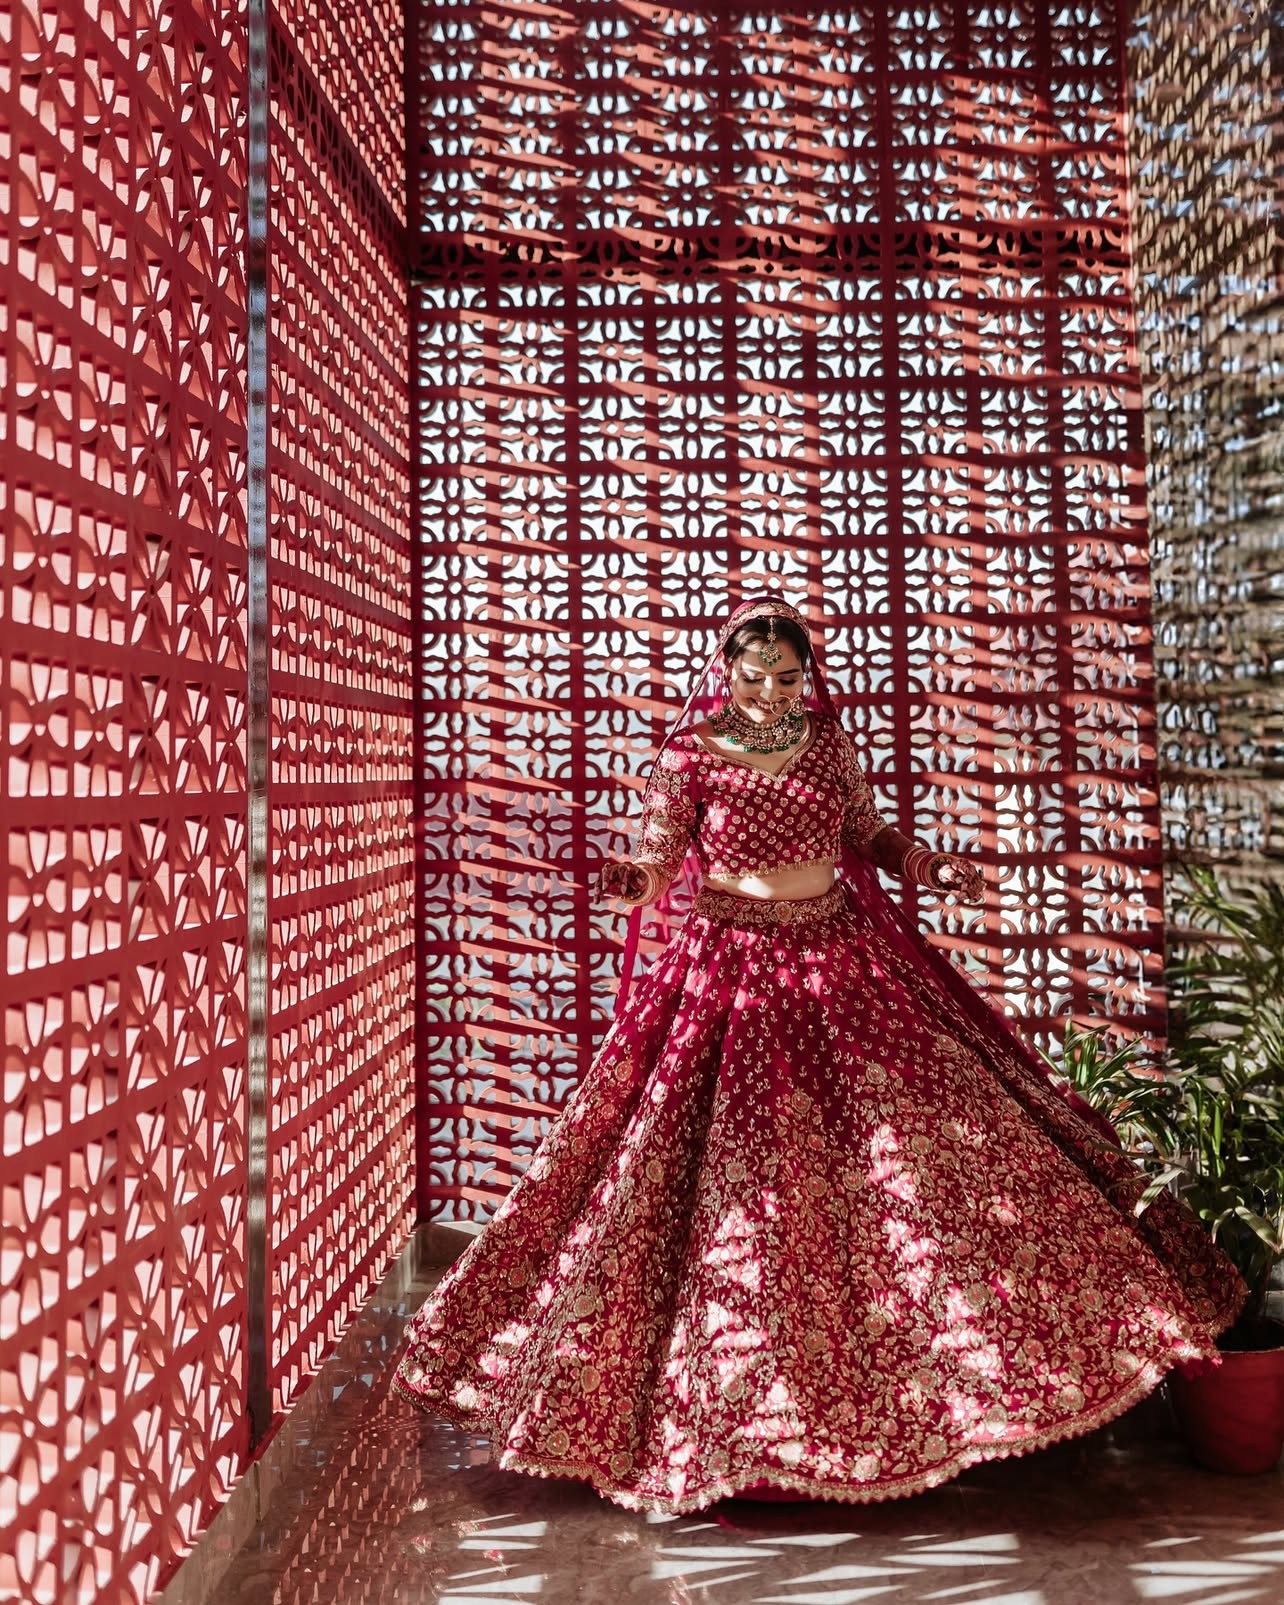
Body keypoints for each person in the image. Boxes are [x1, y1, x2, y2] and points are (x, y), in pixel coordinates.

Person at [391, 592, 1249, 1514]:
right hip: (728, 970)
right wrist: (635, 880)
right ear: (724, 670)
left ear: (809, 676)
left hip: (841, 954)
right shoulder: (687, 754)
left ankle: (943, 1380)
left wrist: (924, 865)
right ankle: (733, 1406)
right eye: (752, 675)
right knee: (721, 1168)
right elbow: (662, 851)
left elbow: (866, 835)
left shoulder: (829, 744)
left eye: (786, 675)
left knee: (914, 1150)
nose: (768, 692)